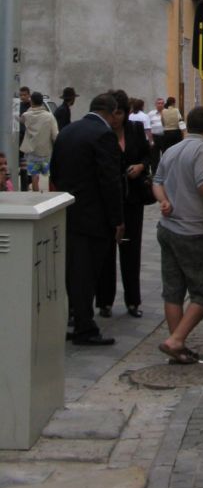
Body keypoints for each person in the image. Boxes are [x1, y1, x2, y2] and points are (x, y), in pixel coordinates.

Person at [49, 91, 124, 345]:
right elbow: (110, 181)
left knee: (73, 270)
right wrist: (117, 219)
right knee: (87, 273)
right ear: (111, 113)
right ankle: (84, 327)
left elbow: (55, 171)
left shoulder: (67, 131)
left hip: (68, 211)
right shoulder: (104, 135)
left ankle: (74, 317)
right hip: (94, 216)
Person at [153, 105, 203, 364]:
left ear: (187, 125)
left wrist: (164, 201)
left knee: (173, 291)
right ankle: (176, 340)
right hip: (194, 230)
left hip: (167, 228)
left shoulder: (173, 149)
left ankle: (177, 348)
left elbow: (157, 181)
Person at [96, 89, 153, 319]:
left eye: (120, 113)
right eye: (113, 113)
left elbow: (148, 155)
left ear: (126, 113)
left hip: (133, 198)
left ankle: (133, 300)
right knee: (106, 251)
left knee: (131, 250)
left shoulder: (135, 130)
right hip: (108, 199)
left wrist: (141, 166)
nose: (116, 118)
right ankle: (104, 301)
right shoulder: (102, 133)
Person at [20, 91, 59, 191]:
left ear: (31, 101)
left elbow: (21, 120)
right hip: (45, 151)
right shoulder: (49, 116)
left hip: (32, 151)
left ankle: (35, 194)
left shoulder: (26, 115)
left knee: (34, 175)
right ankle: (47, 194)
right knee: (46, 174)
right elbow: (55, 135)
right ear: (42, 102)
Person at [15, 86, 31, 190]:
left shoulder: (31, 106)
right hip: (19, 139)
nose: (23, 97)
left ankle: (25, 186)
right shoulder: (18, 106)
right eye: (21, 95)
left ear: (29, 95)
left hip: (28, 139)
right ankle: (24, 186)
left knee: (26, 167)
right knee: (21, 166)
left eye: (25, 95)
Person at [147, 97, 166, 170]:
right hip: (154, 137)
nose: (160, 105)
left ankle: (165, 171)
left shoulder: (166, 113)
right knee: (154, 157)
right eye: (159, 103)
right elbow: (147, 126)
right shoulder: (150, 114)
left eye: (162, 103)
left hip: (164, 137)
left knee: (165, 155)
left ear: (164, 104)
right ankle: (154, 172)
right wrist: (150, 140)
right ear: (155, 104)